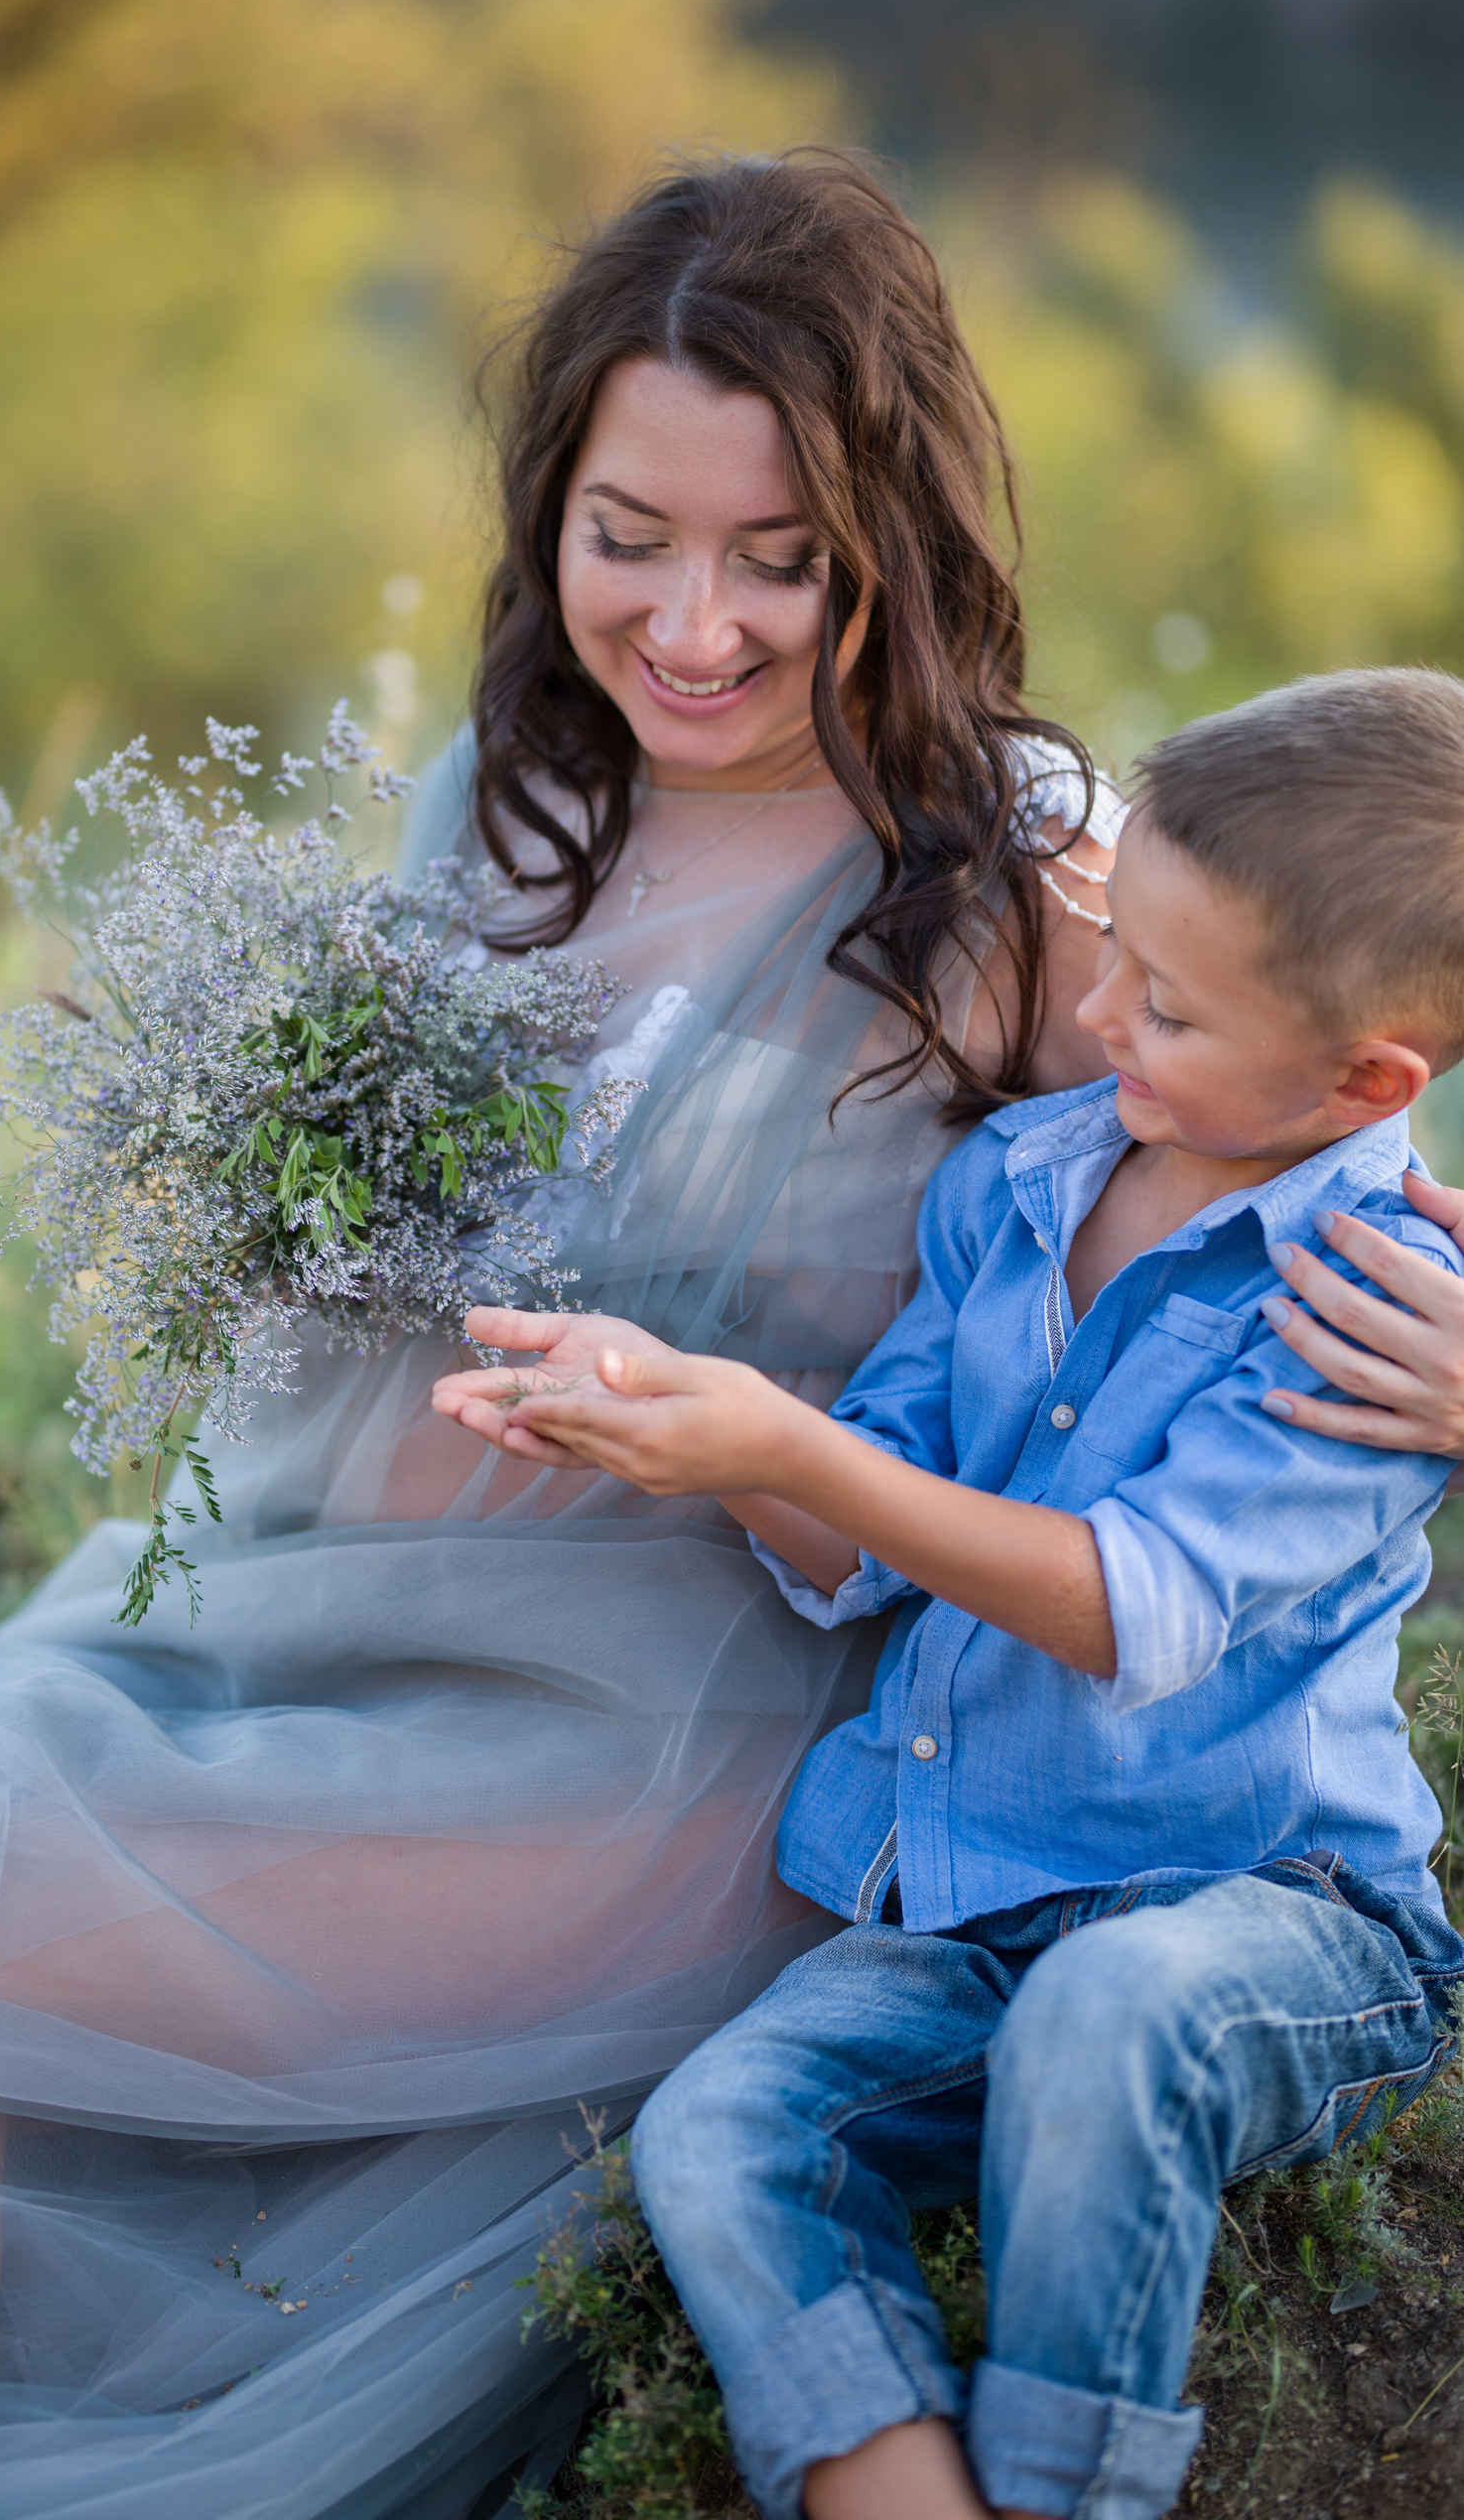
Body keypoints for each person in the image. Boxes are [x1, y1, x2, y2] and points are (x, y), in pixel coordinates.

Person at [0, 151, 1125, 2515]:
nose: (692, 623)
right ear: (547, 508)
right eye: (631, 534)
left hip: (652, 1753)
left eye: (781, 557)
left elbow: (1299, 1209)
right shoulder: (495, 809)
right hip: (275, 1635)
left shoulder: (1028, 888)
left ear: (892, 545)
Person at [432, 666, 1464, 2520]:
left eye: (1167, 1004)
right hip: (968, 1909)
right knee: (724, 2129)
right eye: (1114, 952)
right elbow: (866, 1526)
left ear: (1366, 1079)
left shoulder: (1376, 1308)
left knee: (1110, 2012)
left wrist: (797, 1448)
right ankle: (898, 2492)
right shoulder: (1013, 1183)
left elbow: (1129, 1607)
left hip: (1268, 1911)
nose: (1098, 1013)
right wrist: (702, 1429)